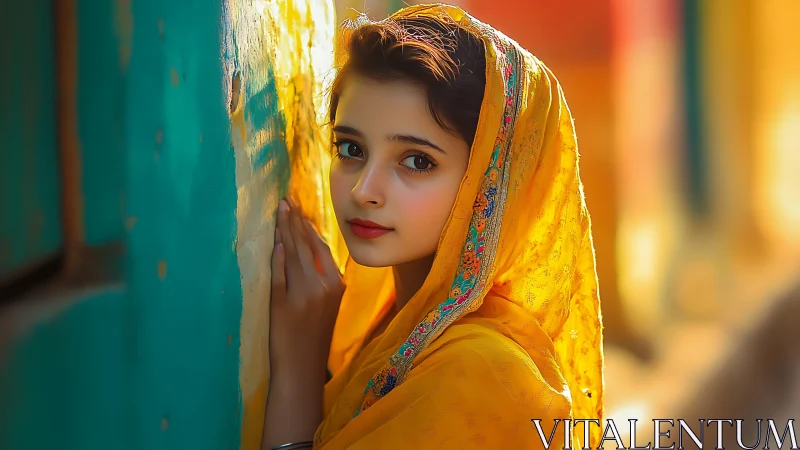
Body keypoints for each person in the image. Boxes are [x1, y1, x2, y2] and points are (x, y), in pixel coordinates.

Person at [262, 4, 604, 449]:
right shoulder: (393, 329)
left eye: (417, 161)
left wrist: (297, 372)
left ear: (485, 185)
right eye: (350, 149)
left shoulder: (482, 375)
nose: (365, 190)